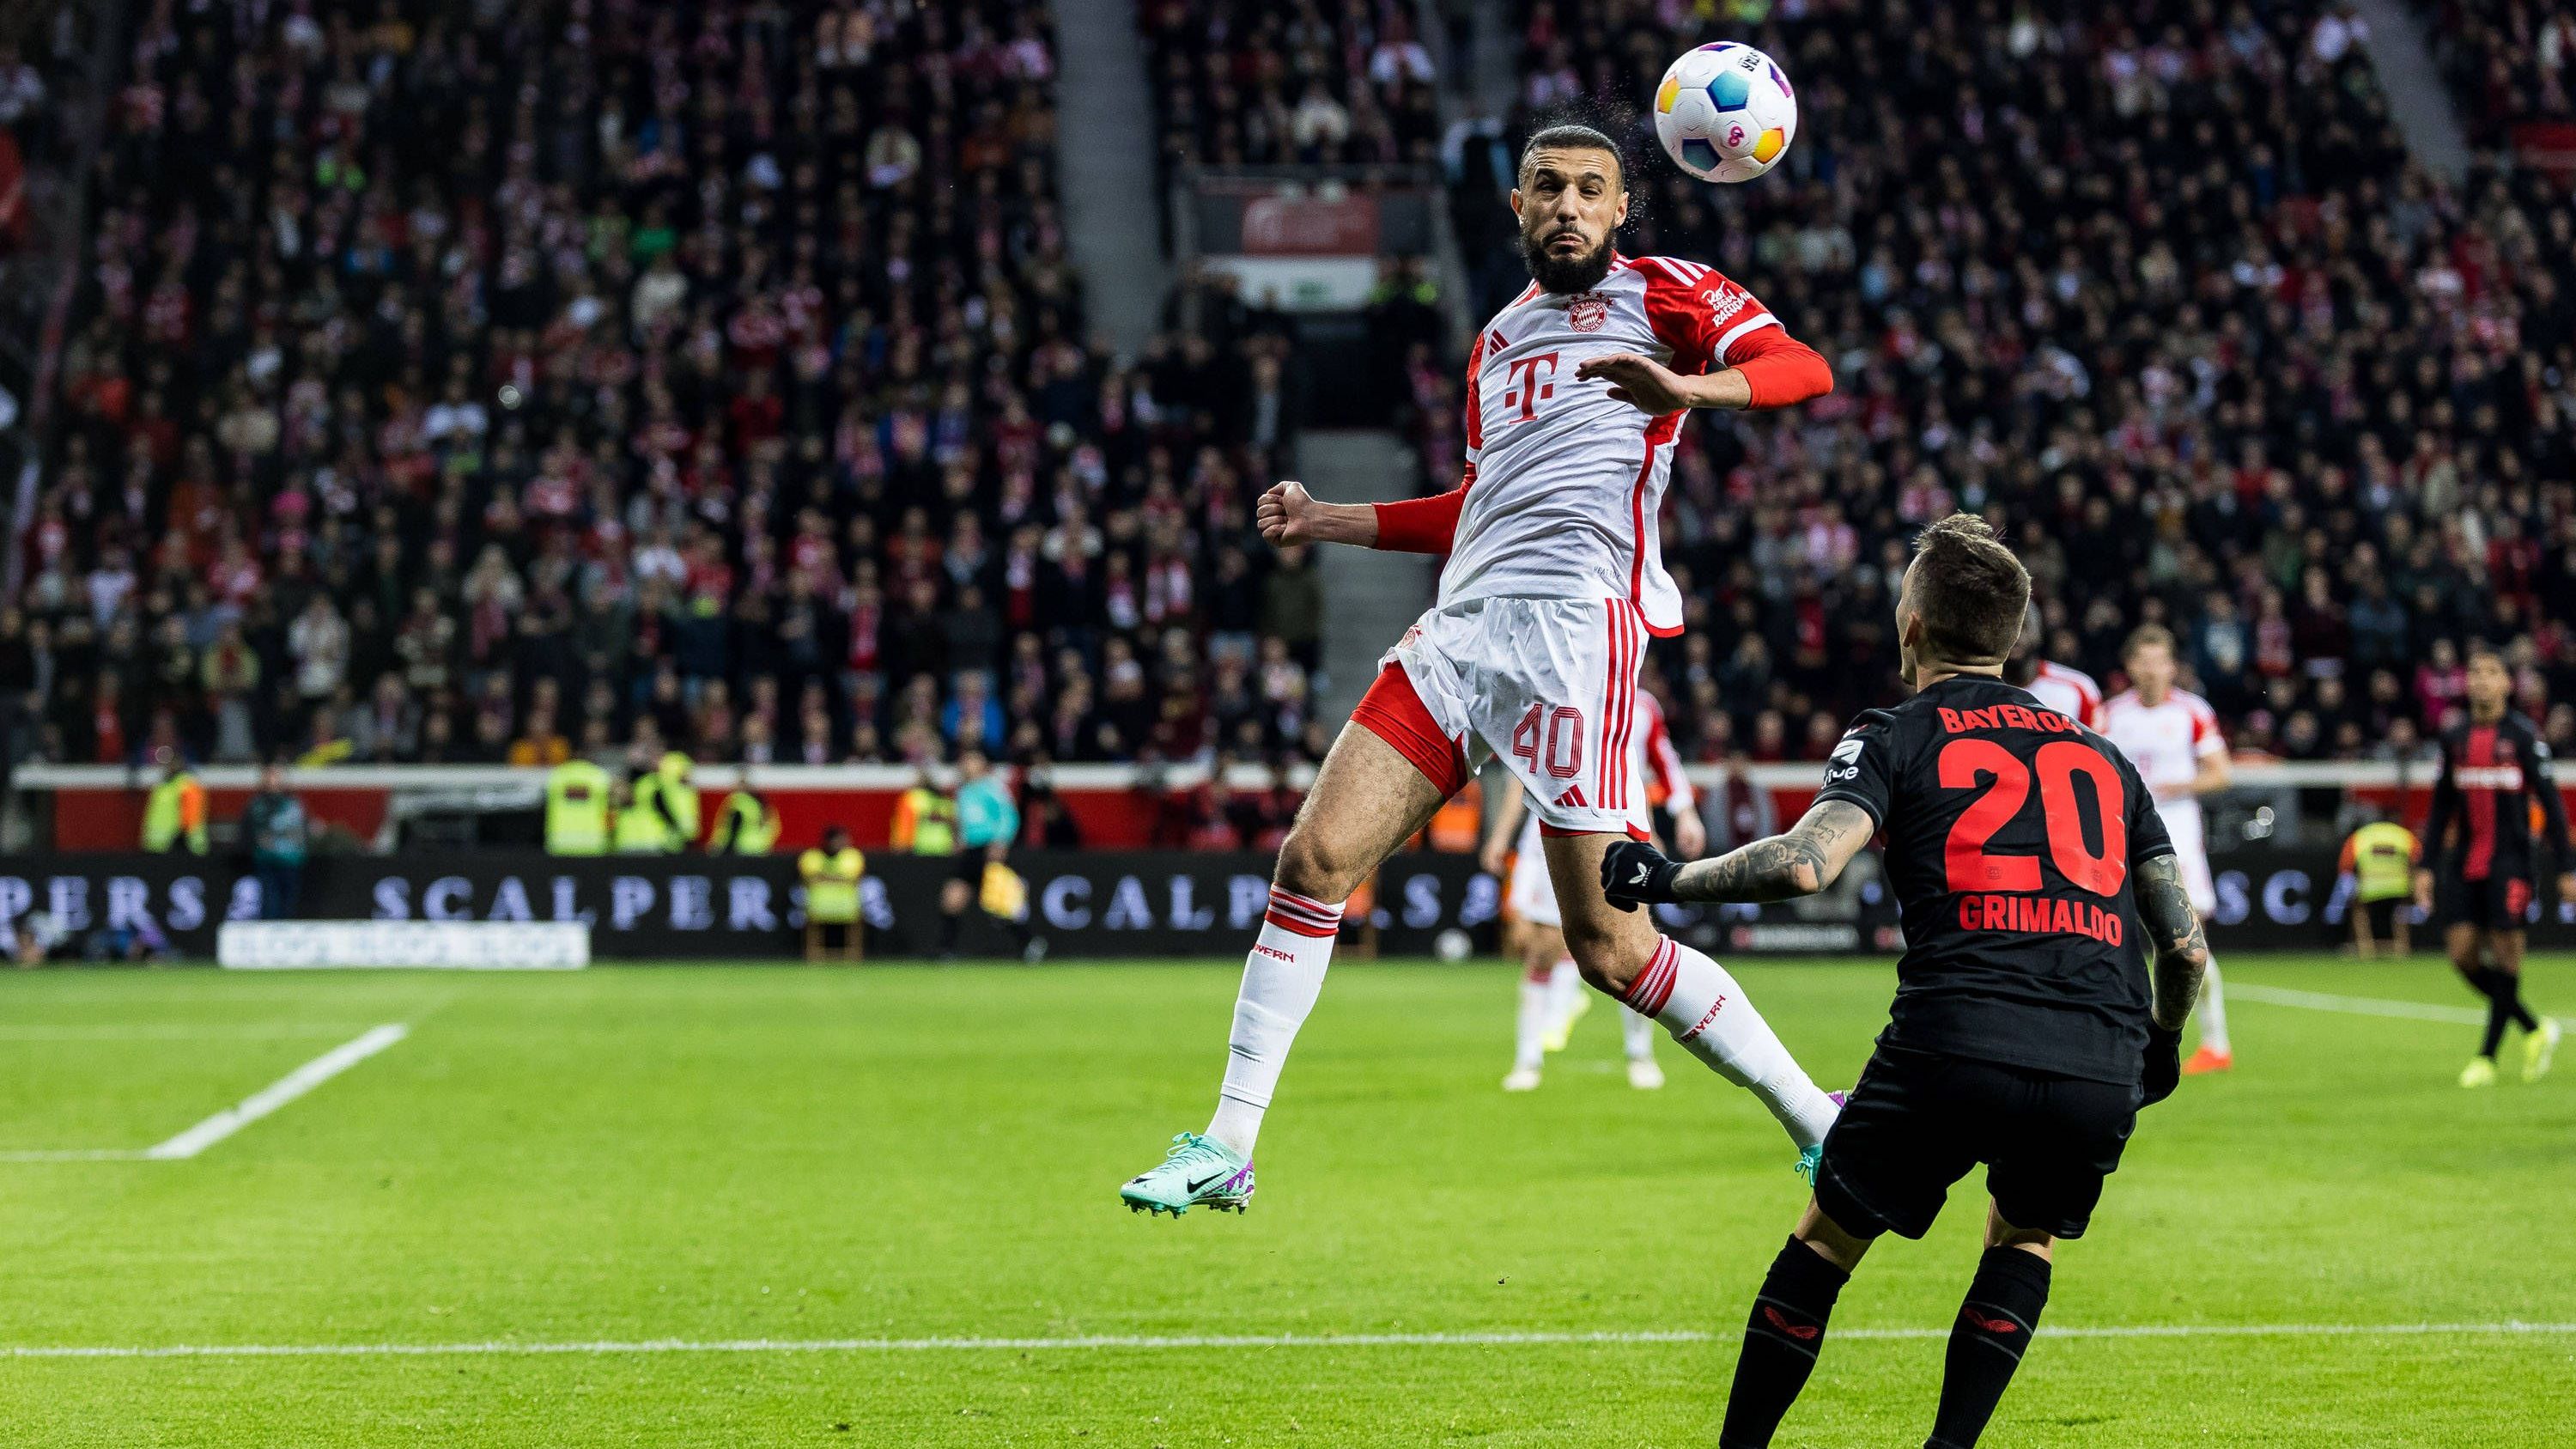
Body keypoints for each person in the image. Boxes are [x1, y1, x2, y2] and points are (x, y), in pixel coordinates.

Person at [1119, 123, 1840, 1216]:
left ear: (1619, 209)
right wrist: (1330, 520)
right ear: (1514, 205)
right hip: (1462, 630)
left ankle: (1819, 1121)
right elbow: (1476, 506)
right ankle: (1229, 1143)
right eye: (1547, 186)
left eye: (1590, 190)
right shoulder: (1499, 337)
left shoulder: (1674, 294)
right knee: (1313, 859)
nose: (1567, 205)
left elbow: (1802, 366)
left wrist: (1690, 394)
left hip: (1573, 638)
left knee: (1607, 949)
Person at [1600, 515, 2208, 1449]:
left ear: (1913, 625)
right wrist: (2159, 1047)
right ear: (2010, 637)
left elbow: (1808, 863)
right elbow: (2186, 950)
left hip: (1954, 1038)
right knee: (2022, 1238)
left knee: (1825, 1242)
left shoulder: (1895, 731)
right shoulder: (2106, 757)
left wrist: (1668, 878)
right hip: (2096, 1052)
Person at [1482, 687, 1703, 1092]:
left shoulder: (1641, 706)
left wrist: (1682, 814)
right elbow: (1523, 775)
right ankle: (1528, 1058)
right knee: (1538, 949)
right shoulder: (1549, 690)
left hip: (1616, 831)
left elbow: (1655, 764)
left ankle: (1640, 1055)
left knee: (1633, 950)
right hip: (1550, 833)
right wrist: (1502, 836)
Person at [2415, 642, 2570, 1087]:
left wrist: (2567, 868)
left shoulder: (2524, 738)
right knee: (2461, 955)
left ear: (2506, 683)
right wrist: (2426, 865)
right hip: (2464, 862)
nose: (2481, 679)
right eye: (2475, 672)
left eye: (2490, 672)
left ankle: (2486, 1057)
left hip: (2512, 863)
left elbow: (2554, 808)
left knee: (2506, 959)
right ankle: (2535, 1028)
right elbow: (2442, 805)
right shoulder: (2455, 738)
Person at [2101, 624, 2235, 1074]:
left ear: (2172, 666)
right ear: (2130, 666)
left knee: (2186, 938)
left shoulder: (2191, 712)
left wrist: (2176, 785)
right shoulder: (2109, 714)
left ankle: (2215, 1043)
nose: (2151, 670)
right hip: (2117, 836)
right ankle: (2115, 1037)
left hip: (2177, 837)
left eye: (2160, 661)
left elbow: (2221, 773)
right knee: (2114, 935)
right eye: (2143, 661)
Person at [942, 748, 1043, 961]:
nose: (967, 764)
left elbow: (1009, 816)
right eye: (965, 760)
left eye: (972, 760)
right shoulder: (963, 791)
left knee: (996, 904)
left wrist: (1001, 842)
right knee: (952, 898)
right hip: (971, 851)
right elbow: (964, 821)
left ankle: (1030, 941)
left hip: (989, 850)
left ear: (982, 764)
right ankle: (947, 951)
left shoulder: (992, 788)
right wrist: (958, 839)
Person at [2004, 601, 2103, 728]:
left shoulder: (2078, 688)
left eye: (2023, 627)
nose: (2015, 637)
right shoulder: (1976, 689)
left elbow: (2099, 745)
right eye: (2006, 629)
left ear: (2039, 633)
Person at [2339, 810, 2419, 958]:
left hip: (2370, 887)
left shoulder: (2360, 836)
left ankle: (2365, 947)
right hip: (2398, 886)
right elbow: (2419, 858)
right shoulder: (2404, 835)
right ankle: (2402, 946)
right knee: (2400, 911)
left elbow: (2345, 865)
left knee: (2359, 911)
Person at [240, 760, 308, 920]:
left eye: (276, 776)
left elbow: (302, 831)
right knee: (270, 903)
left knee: (289, 904)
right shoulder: (258, 805)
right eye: (270, 776)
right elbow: (250, 831)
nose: (273, 780)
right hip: (267, 860)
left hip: (291, 860)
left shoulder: (293, 804)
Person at [799, 825, 866, 963]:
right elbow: (810, 879)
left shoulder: (853, 856)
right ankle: (813, 955)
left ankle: (854, 955)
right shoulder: (811, 857)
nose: (843, 843)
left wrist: (824, 877)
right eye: (839, 840)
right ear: (828, 840)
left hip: (846, 905)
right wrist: (840, 879)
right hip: (819, 905)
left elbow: (854, 879)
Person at [140, 747, 207, 854]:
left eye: (174, 761)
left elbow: (192, 815)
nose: (170, 765)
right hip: (158, 845)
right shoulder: (164, 785)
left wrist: (183, 837)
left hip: (182, 844)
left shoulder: (187, 784)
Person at [544, 754, 613, 855]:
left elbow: (548, 809)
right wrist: (610, 837)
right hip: (594, 843)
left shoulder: (557, 775)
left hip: (560, 842)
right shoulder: (600, 776)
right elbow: (610, 810)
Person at [710, 770, 780, 855]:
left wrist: (718, 845)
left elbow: (730, 826)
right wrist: (765, 842)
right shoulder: (761, 803)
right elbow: (773, 826)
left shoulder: (738, 801)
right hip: (761, 848)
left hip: (742, 848)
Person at [610, 777, 666, 855]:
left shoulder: (648, 805)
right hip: (626, 850)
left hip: (651, 847)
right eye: (616, 792)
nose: (620, 794)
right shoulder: (617, 812)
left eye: (622, 790)